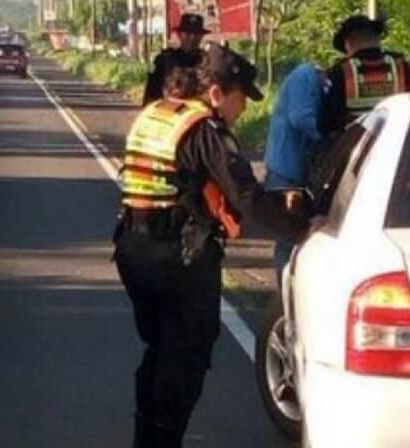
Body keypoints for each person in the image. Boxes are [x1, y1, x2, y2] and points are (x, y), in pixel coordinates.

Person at [114, 44, 308, 448]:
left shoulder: (156, 112)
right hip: (178, 257)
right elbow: (247, 198)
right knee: (186, 354)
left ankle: (146, 438)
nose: (244, 109)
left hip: (133, 250)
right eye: (242, 98)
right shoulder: (206, 131)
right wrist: (304, 228)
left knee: (159, 349)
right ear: (217, 92)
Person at [262, 63, 327, 284]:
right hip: (287, 173)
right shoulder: (305, 77)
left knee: (295, 236)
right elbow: (301, 117)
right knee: (288, 238)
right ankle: (285, 291)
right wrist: (329, 135)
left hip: (290, 170)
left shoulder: (307, 78)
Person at [321, 14, 410, 136]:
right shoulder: (401, 66)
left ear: (348, 43)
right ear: (377, 40)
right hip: (398, 138)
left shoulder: (342, 71)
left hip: (359, 143)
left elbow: (328, 121)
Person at [141, 13, 210, 106]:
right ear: (179, 34)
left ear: (201, 36)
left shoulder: (207, 62)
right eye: (188, 34)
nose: (192, 38)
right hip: (169, 110)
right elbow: (151, 94)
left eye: (196, 34)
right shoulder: (165, 60)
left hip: (198, 111)